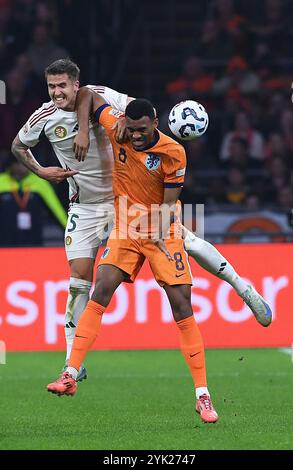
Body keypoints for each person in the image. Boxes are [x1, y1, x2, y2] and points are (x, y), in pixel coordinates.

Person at [47, 94, 219, 423]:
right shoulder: (117, 124)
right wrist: (84, 130)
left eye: (142, 130)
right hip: (126, 226)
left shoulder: (173, 152)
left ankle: (202, 395)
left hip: (161, 230)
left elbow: (170, 205)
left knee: (182, 304)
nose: (136, 136)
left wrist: (157, 230)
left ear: (155, 124)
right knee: (101, 290)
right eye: (132, 128)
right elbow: (86, 95)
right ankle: (70, 374)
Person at [11, 59, 133, 381]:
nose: (56, 93)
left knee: (172, 247)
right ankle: (72, 362)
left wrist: (125, 121)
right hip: (85, 208)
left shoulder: (103, 95)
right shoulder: (45, 117)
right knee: (79, 282)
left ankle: (237, 284)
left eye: (62, 85)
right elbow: (18, 145)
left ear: (76, 84)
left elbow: (138, 108)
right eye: (51, 86)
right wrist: (41, 170)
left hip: (124, 203)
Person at [0, 159, 67, 246]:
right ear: (11, 165)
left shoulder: (39, 181)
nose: (22, 167)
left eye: (25, 164)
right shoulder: (1, 181)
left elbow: (56, 209)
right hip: (5, 238)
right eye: (19, 163)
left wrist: (68, 229)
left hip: (33, 237)